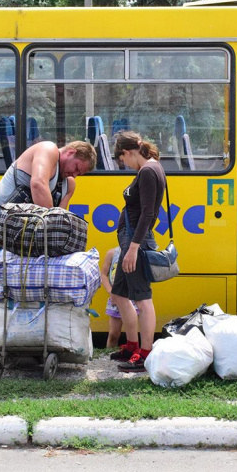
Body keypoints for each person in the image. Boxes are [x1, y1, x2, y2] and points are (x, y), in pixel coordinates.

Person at [108, 131, 166, 373]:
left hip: (135, 243)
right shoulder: (147, 170)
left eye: (122, 160)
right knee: (119, 293)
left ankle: (145, 352)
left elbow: (148, 213)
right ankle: (132, 345)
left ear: (127, 152)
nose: (125, 165)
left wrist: (133, 248)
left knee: (142, 297)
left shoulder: (149, 171)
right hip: (129, 242)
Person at [0, 140, 96, 257]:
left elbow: (61, 218)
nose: (74, 175)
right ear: (70, 152)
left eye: (79, 174)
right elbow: (38, 184)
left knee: (29, 273)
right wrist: (52, 228)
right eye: (76, 168)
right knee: (17, 271)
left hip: (19, 229)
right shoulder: (48, 149)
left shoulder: (69, 185)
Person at [99, 247, 140, 348]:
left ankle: (132, 354)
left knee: (132, 334)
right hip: (116, 297)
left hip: (134, 298)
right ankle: (109, 355)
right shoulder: (112, 253)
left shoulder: (140, 252)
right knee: (113, 334)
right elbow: (103, 275)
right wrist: (111, 291)